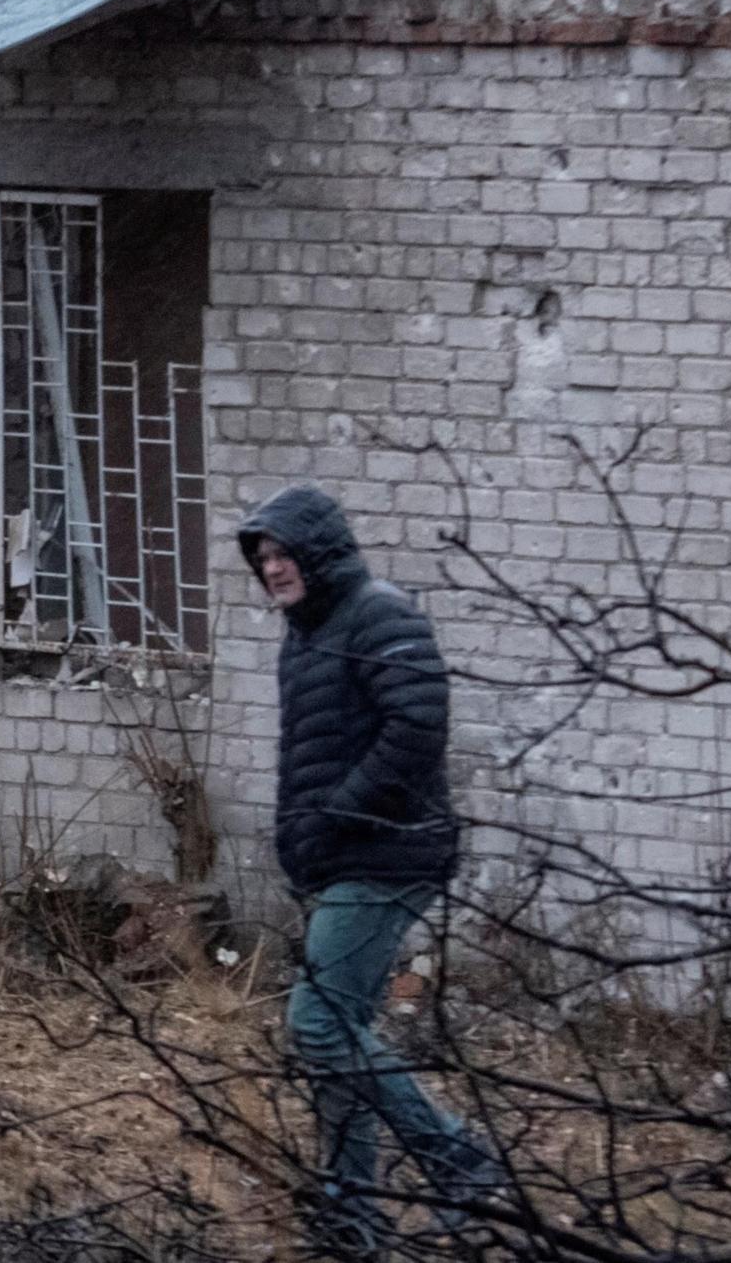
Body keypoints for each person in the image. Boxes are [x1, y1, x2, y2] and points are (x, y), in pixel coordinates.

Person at [238, 485, 503, 1256]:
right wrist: (304, 843)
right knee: (341, 1032)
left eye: (285, 553)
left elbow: (418, 724)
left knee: (319, 1026)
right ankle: (353, 1210)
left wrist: (338, 818)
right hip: (342, 854)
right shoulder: (308, 629)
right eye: (264, 558)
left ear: (320, 551)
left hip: (389, 852)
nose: (275, 568)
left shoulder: (378, 613)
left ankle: (458, 1158)